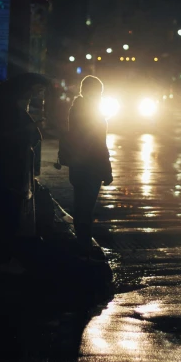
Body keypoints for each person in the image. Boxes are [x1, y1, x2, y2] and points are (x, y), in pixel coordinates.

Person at [0, 73, 48, 273]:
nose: (33, 98)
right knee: (7, 214)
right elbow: (32, 137)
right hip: (10, 171)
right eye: (32, 93)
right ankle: (2, 259)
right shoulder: (13, 113)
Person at [68, 75, 113, 255]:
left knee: (80, 206)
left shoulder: (76, 108)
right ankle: (84, 247)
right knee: (86, 208)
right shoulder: (92, 112)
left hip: (78, 165)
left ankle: (81, 243)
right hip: (91, 167)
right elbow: (99, 144)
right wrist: (107, 170)